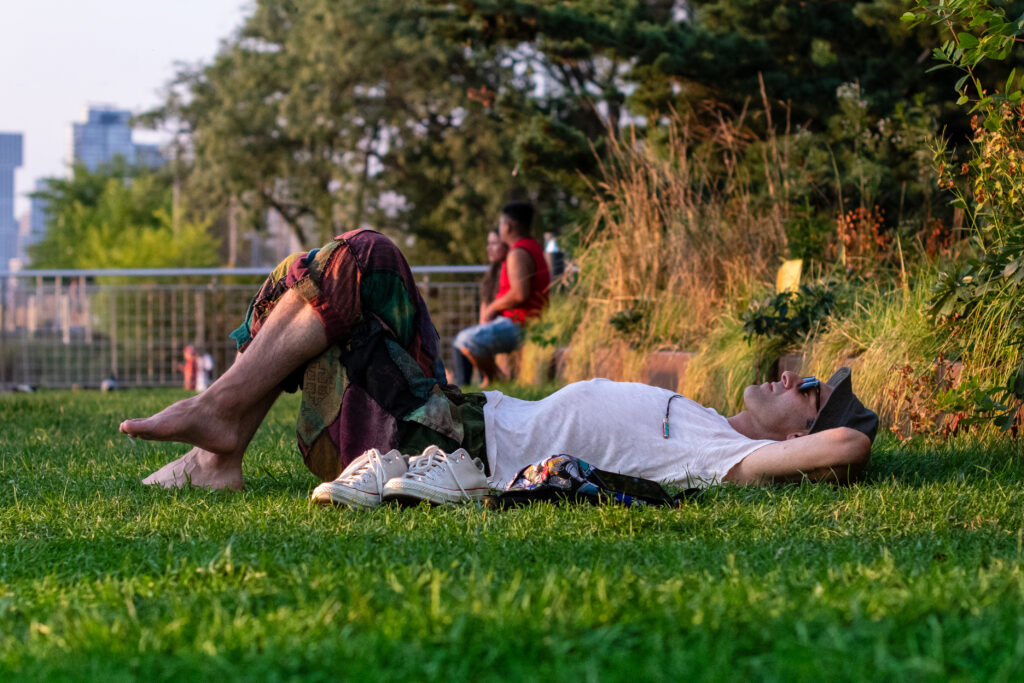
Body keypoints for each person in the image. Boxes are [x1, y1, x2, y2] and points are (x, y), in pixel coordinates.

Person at [120, 228, 876, 503]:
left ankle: (217, 432)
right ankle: (217, 449)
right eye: (810, 376)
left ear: (795, 441)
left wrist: (822, 448)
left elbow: (847, 445)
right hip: (447, 412)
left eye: (810, 395)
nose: (794, 377)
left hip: (447, 442)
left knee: (368, 260)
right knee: (317, 279)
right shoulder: (710, 420)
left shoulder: (728, 454)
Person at [453, 201, 550, 386]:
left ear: (507, 226)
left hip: (520, 324)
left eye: (500, 224)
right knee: (466, 339)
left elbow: (520, 293)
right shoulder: (531, 247)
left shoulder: (518, 253)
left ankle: (494, 381)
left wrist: (492, 307)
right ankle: (494, 380)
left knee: (465, 341)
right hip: (523, 321)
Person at [450, 228, 508, 386]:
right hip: (491, 326)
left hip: (506, 324)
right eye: (488, 243)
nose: (489, 248)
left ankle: (488, 381)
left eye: (494, 243)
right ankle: (463, 387)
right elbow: (484, 308)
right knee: (460, 343)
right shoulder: (491, 275)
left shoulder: (511, 270)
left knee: (470, 341)